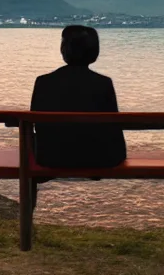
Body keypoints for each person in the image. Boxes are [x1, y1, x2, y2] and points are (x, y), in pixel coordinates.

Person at [30, 25, 127, 169]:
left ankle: (30, 189)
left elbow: (36, 123)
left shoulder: (44, 82)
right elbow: (113, 125)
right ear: (94, 51)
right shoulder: (103, 83)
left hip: (51, 157)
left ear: (64, 49)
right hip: (101, 158)